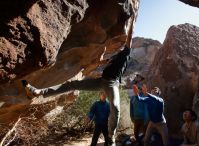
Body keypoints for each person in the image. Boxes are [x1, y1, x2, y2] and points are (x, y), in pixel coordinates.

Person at [21, 15, 135, 146]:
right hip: (101, 82)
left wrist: (130, 22)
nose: (121, 47)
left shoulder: (126, 54)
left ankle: (111, 137)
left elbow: (129, 38)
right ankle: (37, 92)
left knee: (115, 107)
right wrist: (101, 56)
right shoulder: (115, 57)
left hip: (112, 84)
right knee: (72, 84)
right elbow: (101, 62)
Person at [130, 80, 149, 145]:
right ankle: (139, 143)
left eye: (139, 89)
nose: (139, 90)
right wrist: (132, 118)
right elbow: (131, 109)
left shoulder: (144, 97)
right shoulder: (132, 98)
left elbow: (146, 109)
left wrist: (146, 119)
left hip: (143, 119)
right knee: (136, 134)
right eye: (138, 89)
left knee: (145, 134)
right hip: (136, 119)